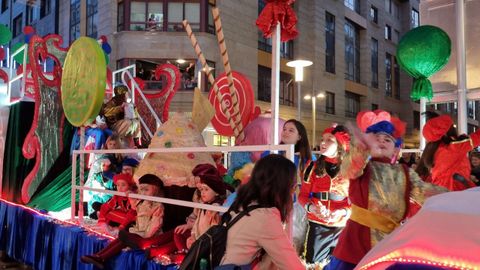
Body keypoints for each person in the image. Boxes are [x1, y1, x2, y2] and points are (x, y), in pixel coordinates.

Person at [325, 110, 448, 270]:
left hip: (391, 240)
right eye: (376, 137)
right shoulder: (363, 167)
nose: (381, 141)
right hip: (357, 240)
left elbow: (425, 192)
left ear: (395, 150)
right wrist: (362, 147)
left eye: (387, 139)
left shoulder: (404, 172)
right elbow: (351, 168)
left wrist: (456, 198)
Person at [219, 154, 304, 269]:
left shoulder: (243, 202)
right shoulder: (265, 217)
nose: (294, 192)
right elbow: (292, 265)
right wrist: (288, 209)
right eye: (293, 187)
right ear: (283, 188)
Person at [81, 174, 175, 269]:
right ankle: (99, 256)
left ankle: (101, 257)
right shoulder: (142, 202)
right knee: (121, 238)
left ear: (155, 190)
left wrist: (145, 238)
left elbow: (155, 225)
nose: (143, 193)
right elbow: (134, 206)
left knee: (125, 239)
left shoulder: (158, 206)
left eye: (146, 190)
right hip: (138, 231)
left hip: (149, 236)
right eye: (141, 190)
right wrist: (130, 195)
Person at [147, 164, 232, 260]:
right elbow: (197, 219)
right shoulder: (203, 199)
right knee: (177, 232)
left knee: (178, 235)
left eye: (204, 187)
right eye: (200, 187)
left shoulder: (215, 208)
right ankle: (152, 246)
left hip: (203, 243)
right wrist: (191, 230)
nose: (200, 188)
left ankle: (182, 256)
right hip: (196, 234)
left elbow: (211, 232)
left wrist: (193, 234)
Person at [299, 125, 351, 268]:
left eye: (329, 140)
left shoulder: (352, 168)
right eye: (322, 139)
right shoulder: (312, 166)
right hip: (317, 225)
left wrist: (343, 212)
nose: (323, 143)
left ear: (340, 145)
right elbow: (302, 195)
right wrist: (311, 207)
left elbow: (358, 203)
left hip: (343, 227)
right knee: (313, 265)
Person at [416, 113, 480, 190]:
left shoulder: (430, 150)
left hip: (438, 191)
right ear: (447, 131)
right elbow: (477, 137)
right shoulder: (454, 147)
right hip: (455, 190)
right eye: (452, 126)